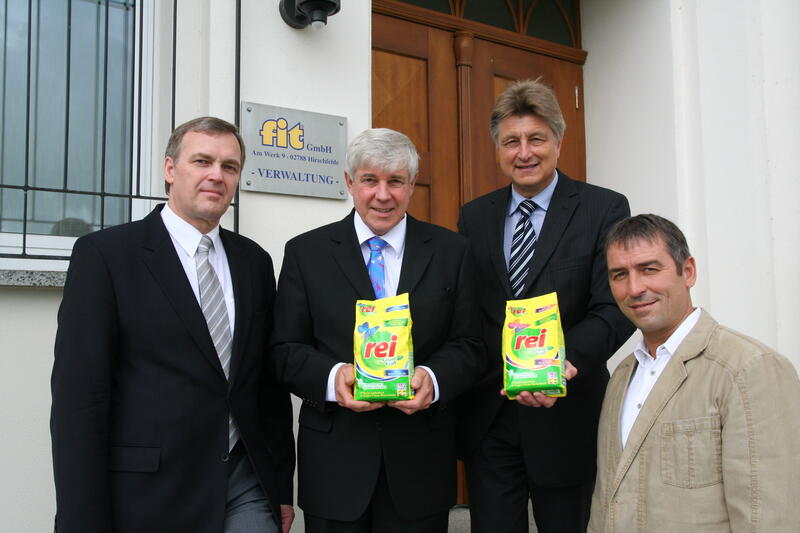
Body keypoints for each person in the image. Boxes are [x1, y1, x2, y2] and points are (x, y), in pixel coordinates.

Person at [51, 117, 295, 533]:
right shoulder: (106, 256)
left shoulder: (254, 261)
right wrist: (81, 519)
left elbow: (266, 385)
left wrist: (281, 485)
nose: (216, 175)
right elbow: (80, 398)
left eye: (229, 166)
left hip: (245, 482)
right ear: (169, 169)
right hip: (152, 491)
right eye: (202, 161)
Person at [270, 128, 483, 532]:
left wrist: (433, 379)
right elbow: (284, 350)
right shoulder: (306, 253)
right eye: (370, 180)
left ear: (412, 185)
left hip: (420, 465)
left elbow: (471, 344)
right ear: (349, 182)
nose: (383, 195)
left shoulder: (452, 252)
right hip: (334, 466)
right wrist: (334, 378)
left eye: (395, 181)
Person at [457, 78, 635, 533]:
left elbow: (615, 306)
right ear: (498, 149)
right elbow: (468, 309)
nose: (524, 153)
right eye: (511, 142)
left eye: (536, 139)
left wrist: (561, 364)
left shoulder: (603, 208)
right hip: (491, 415)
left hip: (568, 412)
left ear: (558, 141)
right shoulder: (474, 216)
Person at [589, 214, 800, 532]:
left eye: (649, 269)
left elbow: (769, 517)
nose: (634, 288)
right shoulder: (621, 376)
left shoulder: (748, 368)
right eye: (620, 275)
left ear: (688, 271)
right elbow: (606, 504)